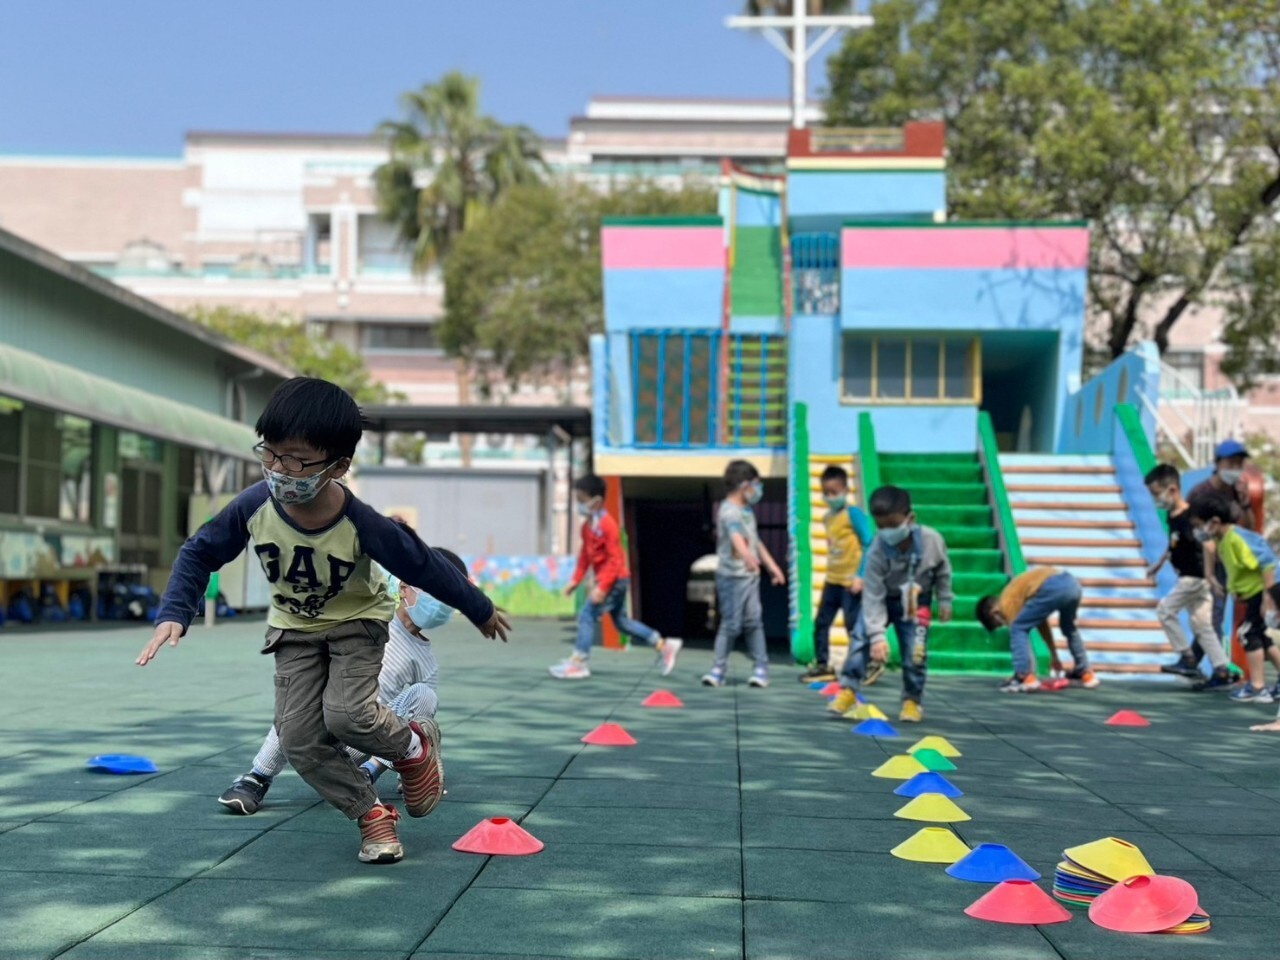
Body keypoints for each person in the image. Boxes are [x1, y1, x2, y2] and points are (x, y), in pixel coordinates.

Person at [137, 377, 511, 865]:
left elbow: (422, 563)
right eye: (270, 453)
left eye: (295, 460)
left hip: (357, 624)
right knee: (297, 739)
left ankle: (413, 747)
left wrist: (477, 607)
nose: (279, 469)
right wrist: (175, 612)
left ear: (338, 466)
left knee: (346, 715)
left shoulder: (362, 523)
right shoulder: (255, 505)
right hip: (294, 630)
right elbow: (200, 550)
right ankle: (372, 816)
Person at [218, 548, 469, 815]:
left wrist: (414, 767)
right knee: (301, 695)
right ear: (405, 587)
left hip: (362, 735)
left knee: (425, 696)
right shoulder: (371, 613)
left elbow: (423, 723)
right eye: (437, 592)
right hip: (318, 722)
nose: (443, 604)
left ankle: (370, 772)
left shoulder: (425, 661)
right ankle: (258, 777)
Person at [827, 485, 953, 722]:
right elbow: (872, 594)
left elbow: (943, 571)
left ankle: (912, 700)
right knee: (860, 639)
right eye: (881, 526)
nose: (887, 532)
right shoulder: (876, 549)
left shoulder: (932, 540)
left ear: (910, 518)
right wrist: (877, 634)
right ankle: (848, 689)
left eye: (893, 525)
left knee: (915, 651)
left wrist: (945, 599)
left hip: (917, 600)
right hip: (884, 598)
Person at [550, 474, 681, 679]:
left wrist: (602, 586)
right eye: (578, 500)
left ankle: (580, 661)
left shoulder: (608, 525)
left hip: (615, 580)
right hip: (611, 580)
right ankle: (663, 645)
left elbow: (616, 560)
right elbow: (585, 556)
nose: (579, 505)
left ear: (597, 501)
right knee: (622, 623)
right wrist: (575, 580)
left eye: (582, 501)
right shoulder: (587, 527)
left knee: (587, 615)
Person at [1144, 464, 1235, 689]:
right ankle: (1222, 669)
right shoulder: (1172, 516)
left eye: (1157, 494)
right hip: (1195, 579)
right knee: (1202, 626)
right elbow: (1175, 542)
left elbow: (1209, 544)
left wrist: (1209, 574)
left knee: (1165, 610)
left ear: (1173, 490)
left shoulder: (1190, 516)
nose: (1156, 499)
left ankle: (1187, 658)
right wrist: (1161, 562)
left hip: (1194, 578)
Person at [701, 460, 786, 688]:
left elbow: (755, 541)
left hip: (750, 578)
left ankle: (761, 669)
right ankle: (718, 669)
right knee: (731, 624)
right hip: (731, 577)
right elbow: (736, 536)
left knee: (753, 621)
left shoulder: (748, 511)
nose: (759, 491)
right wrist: (746, 557)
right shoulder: (728, 511)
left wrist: (772, 566)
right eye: (757, 485)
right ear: (745, 484)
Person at [1190, 494, 1280, 703]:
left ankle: (1257, 687)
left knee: (1248, 633)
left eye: (1200, 525)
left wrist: (1269, 599)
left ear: (1214, 522)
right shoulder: (1223, 540)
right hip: (1253, 594)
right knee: (1262, 639)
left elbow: (1266, 563)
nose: (1199, 531)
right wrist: (1219, 582)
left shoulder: (1237, 538)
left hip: (1264, 591)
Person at [799, 465, 873, 684]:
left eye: (835, 492)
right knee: (821, 622)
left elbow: (869, 543)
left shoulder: (854, 514)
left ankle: (863, 665)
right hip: (833, 579)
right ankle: (823, 665)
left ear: (846, 490)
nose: (830, 497)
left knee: (853, 626)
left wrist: (861, 576)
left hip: (852, 582)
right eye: (826, 493)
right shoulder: (828, 518)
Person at [975, 567, 1099, 692]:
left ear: (994, 613)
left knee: (1018, 628)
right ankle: (1086, 673)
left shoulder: (1006, 601)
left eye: (999, 624)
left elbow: (1018, 630)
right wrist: (1054, 656)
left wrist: (1019, 671)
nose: (1004, 624)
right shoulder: (1019, 595)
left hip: (1052, 585)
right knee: (1069, 628)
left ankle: (1024, 676)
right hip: (1072, 584)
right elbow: (1042, 625)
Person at [1189, 439, 1258, 654]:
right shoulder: (1200, 492)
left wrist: (1246, 502)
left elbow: (1249, 528)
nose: (1235, 469)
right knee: (1211, 615)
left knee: (1212, 615)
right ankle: (1220, 669)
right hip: (1202, 562)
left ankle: (1191, 662)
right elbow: (1190, 529)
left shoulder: (1236, 492)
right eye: (1230, 463)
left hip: (1226, 563)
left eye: (1239, 464)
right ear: (1217, 464)